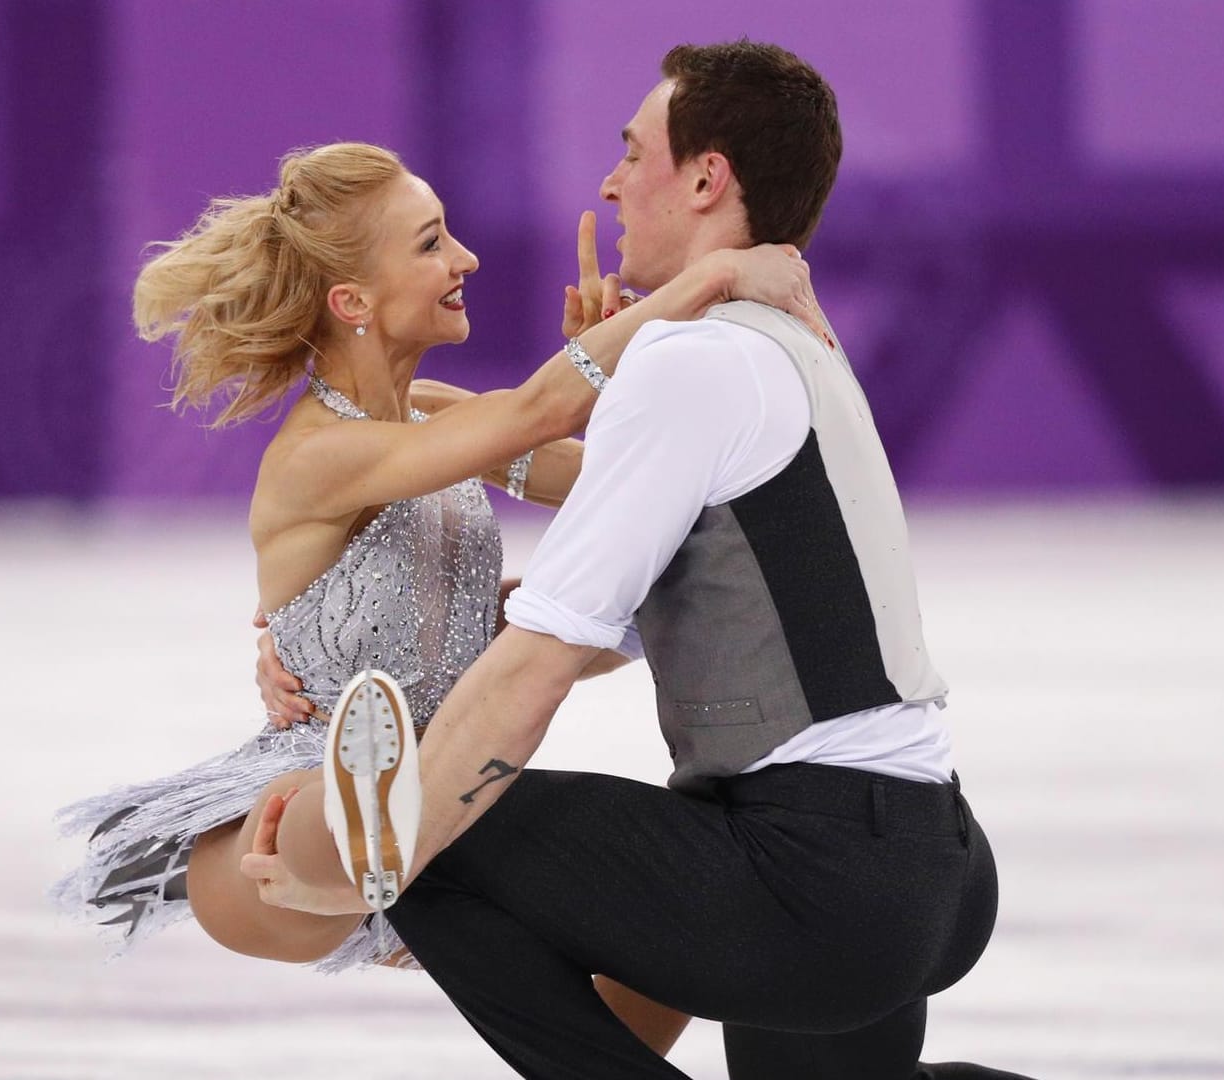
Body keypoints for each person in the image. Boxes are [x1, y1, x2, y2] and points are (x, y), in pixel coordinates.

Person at [249, 44, 1034, 1080]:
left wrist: (363, 873)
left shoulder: (695, 358)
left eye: (634, 154)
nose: (613, 183)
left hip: (817, 876)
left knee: (425, 835)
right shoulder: (780, 341)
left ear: (708, 179)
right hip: (928, 867)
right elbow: (636, 614)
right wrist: (323, 637)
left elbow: (535, 672)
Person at [51, 140, 819, 1050]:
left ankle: (414, 847)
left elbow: (625, 481)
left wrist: (628, 376)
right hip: (277, 838)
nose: (466, 259)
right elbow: (536, 411)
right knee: (315, 818)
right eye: (430, 244)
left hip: (452, 802)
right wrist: (701, 284)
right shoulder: (318, 455)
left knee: (669, 962)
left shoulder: (439, 416)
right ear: (353, 302)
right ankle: (366, 816)